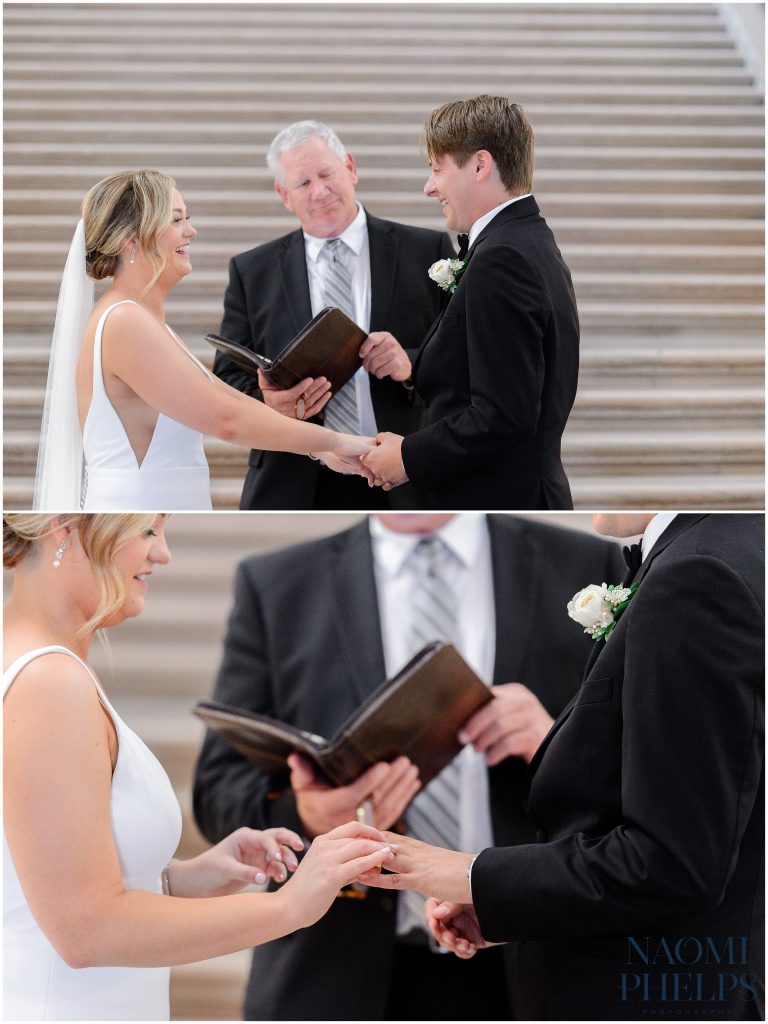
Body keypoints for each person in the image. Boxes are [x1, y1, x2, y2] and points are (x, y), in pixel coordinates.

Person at [193, 513, 624, 1020]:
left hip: (539, 958)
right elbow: (217, 790)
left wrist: (554, 741)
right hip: (335, 973)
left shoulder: (586, 564)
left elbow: (647, 768)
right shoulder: (279, 583)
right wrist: (308, 814)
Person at [358, 513, 765, 1021]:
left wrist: (471, 872)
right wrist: (510, 899)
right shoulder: (738, 546)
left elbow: (673, 863)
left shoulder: (698, 573)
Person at [3, 513, 394, 1021]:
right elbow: (84, 930)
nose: (162, 553)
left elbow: (36, 882)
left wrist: (185, 879)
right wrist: (290, 905)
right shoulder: (47, 682)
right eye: (148, 530)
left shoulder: (42, 665)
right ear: (65, 528)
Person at [33, 169, 375, 512]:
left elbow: (225, 398)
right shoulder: (125, 321)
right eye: (176, 220)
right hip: (138, 509)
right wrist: (335, 441)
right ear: (131, 240)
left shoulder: (144, 322)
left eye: (188, 218)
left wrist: (320, 448)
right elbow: (226, 420)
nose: (190, 231)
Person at [212, 120, 455, 510]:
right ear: (284, 194)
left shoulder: (426, 250)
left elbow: (464, 358)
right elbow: (227, 381)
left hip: (406, 472)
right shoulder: (251, 271)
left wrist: (410, 363)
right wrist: (271, 404)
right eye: (303, 183)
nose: (319, 191)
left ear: (351, 167)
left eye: (326, 174)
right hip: (294, 479)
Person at [363, 95, 580, 510]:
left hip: (500, 498)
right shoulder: (522, 239)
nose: (429, 187)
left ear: (480, 165)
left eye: (436, 169)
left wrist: (407, 456)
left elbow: (503, 416)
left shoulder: (503, 258)